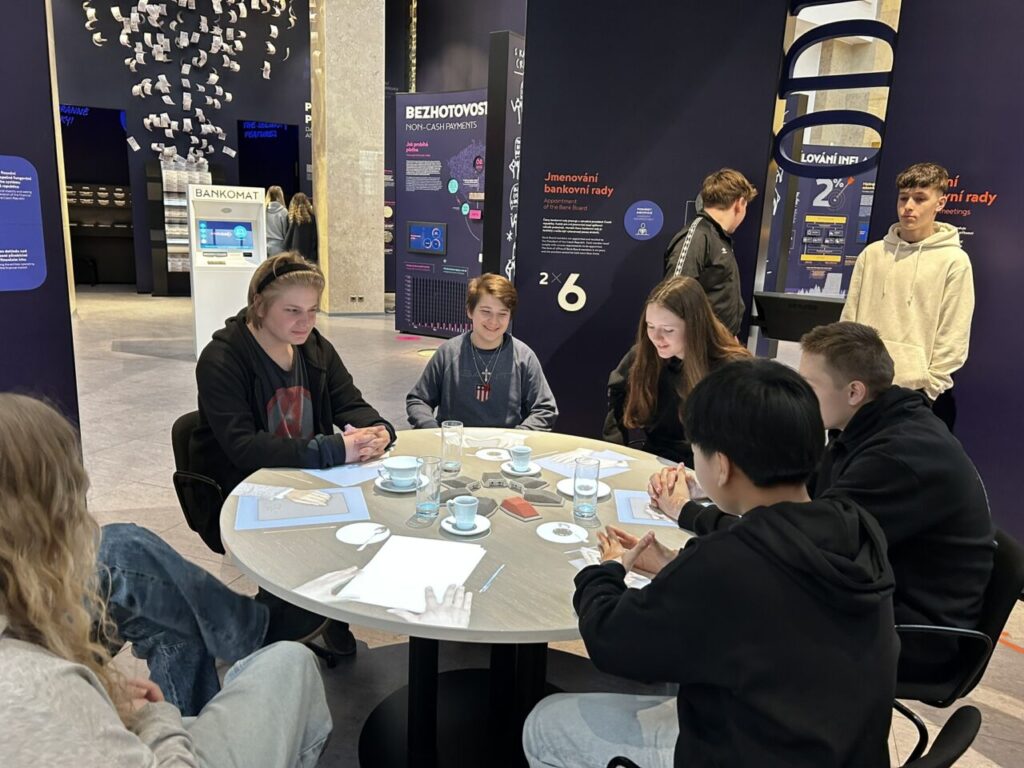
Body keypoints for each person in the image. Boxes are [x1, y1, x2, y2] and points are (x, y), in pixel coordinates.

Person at [523, 360, 898, 768]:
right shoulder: (854, 527)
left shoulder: (729, 564)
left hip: (750, 751)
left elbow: (610, 640)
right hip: (839, 746)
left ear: (722, 465)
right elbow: (771, 600)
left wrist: (606, 570)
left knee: (544, 723)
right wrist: (677, 566)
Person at [0, 394, 332, 768]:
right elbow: (242, 443)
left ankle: (243, 636)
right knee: (292, 662)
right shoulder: (35, 686)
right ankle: (251, 636)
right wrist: (155, 718)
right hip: (160, 748)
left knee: (134, 565)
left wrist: (102, 698)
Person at [657, 322, 995, 675]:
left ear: (854, 392)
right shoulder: (864, 428)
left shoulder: (897, 457)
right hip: (875, 599)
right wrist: (721, 483)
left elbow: (796, 544)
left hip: (912, 634)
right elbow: (800, 505)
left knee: (729, 615)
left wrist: (687, 513)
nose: (798, 397)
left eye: (808, 386)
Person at [191, 251, 395, 653]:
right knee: (310, 537)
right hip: (244, 487)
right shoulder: (222, 359)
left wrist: (379, 430)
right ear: (260, 306)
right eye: (292, 311)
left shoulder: (314, 347)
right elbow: (243, 447)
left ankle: (325, 615)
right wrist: (335, 448)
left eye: (313, 310)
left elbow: (349, 402)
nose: (306, 321)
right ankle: (278, 630)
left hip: (308, 473)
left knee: (372, 517)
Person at [841, 162, 975, 430]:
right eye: (904, 198)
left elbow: (954, 335)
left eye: (920, 199)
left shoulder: (954, 261)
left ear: (940, 203)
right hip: (861, 389)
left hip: (915, 397)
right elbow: (849, 319)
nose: (908, 207)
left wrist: (928, 391)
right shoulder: (873, 254)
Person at [602, 276, 749, 465]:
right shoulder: (643, 355)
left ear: (695, 326)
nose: (656, 338)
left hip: (708, 467)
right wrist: (616, 450)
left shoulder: (731, 368)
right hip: (655, 459)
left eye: (668, 330)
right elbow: (617, 393)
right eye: (650, 326)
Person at [406, 273, 558, 430]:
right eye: (486, 312)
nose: (493, 321)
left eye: (502, 314)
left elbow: (545, 409)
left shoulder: (524, 357)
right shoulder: (448, 352)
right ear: (470, 311)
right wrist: (433, 431)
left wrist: (518, 436)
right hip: (455, 441)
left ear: (510, 317)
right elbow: (418, 400)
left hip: (506, 443)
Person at [662, 168, 757, 336]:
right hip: (700, 345)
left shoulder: (717, 237)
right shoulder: (698, 236)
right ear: (740, 203)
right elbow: (673, 299)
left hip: (720, 342)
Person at [284, 192, 318, 263]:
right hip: (309, 257)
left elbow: (287, 241)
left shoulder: (291, 219)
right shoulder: (312, 218)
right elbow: (314, 239)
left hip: (294, 257)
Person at [264, 185, 289, 257]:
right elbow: (285, 231)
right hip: (279, 246)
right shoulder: (283, 211)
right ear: (280, 195)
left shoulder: (263, 210)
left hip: (265, 244)